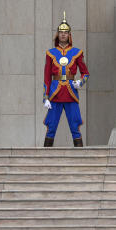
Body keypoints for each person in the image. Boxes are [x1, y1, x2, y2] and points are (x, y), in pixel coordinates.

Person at [42, 14, 89, 147]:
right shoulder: (50, 53)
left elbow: (85, 73)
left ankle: (81, 160)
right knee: (51, 127)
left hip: (71, 93)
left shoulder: (77, 52)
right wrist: (45, 96)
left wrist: (80, 82)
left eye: (65, 32)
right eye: (61, 32)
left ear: (69, 35)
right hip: (55, 94)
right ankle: (45, 160)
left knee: (75, 126)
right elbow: (46, 76)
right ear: (58, 34)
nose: (63, 35)